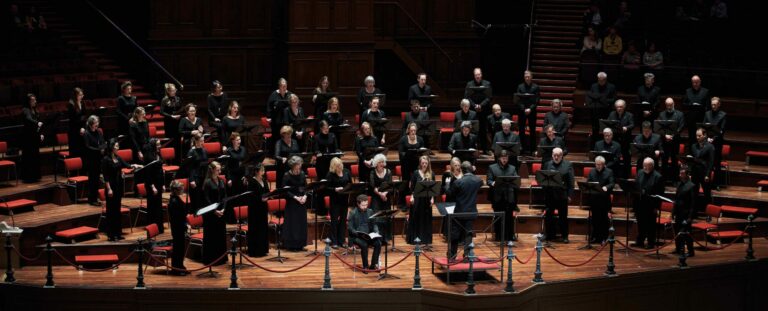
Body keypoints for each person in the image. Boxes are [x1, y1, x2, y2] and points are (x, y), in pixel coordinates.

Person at [102, 139, 142, 241]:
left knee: (117, 211)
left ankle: (118, 233)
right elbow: (105, 176)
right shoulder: (106, 159)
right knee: (111, 211)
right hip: (111, 188)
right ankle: (111, 235)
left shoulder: (118, 158)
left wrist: (135, 166)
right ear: (111, 147)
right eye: (116, 146)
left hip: (118, 187)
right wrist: (109, 189)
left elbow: (127, 165)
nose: (118, 148)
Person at [445, 161, 483, 261]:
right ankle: (467, 255)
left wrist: (447, 184)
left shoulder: (458, 182)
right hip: (471, 212)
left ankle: (452, 256)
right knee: (468, 234)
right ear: (471, 169)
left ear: (462, 169)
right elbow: (480, 183)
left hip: (459, 213)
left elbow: (449, 194)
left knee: (455, 235)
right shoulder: (478, 181)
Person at [543, 148, 574, 243]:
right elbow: (543, 178)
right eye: (554, 155)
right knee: (549, 216)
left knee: (563, 217)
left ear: (562, 156)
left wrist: (569, 195)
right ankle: (549, 235)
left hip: (562, 195)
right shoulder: (547, 164)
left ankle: (565, 236)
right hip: (550, 194)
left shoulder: (568, 165)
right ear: (552, 155)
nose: (556, 157)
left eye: (558, 155)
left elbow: (571, 182)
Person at [486, 150, 518, 242]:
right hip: (497, 197)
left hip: (509, 197)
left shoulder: (512, 168)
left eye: (506, 158)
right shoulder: (492, 168)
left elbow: (516, 180)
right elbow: (489, 181)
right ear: (499, 158)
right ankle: (499, 236)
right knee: (498, 217)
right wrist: (493, 183)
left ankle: (509, 236)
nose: (504, 160)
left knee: (509, 217)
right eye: (503, 158)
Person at [633, 158, 664, 249]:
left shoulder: (658, 176)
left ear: (652, 166)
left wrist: (656, 207)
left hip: (651, 205)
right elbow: (636, 185)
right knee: (640, 223)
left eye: (647, 165)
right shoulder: (639, 172)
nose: (645, 167)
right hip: (640, 203)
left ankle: (651, 242)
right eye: (644, 165)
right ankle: (640, 241)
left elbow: (660, 194)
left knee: (650, 225)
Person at [202, 161, 227, 265]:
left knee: (220, 235)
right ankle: (211, 259)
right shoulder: (207, 183)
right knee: (211, 236)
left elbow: (225, 196)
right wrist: (214, 211)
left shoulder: (221, 181)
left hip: (220, 213)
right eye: (217, 170)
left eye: (220, 169)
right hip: (210, 215)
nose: (219, 171)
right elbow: (206, 199)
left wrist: (223, 209)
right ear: (212, 170)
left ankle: (221, 258)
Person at [348, 194, 382, 272]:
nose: (365, 207)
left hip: (368, 235)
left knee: (378, 243)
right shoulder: (353, 213)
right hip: (357, 236)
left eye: (366, 204)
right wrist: (357, 233)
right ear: (358, 204)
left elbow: (374, 224)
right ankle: (365, 266)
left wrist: (376, 231)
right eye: (363, 205)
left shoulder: (370, 211)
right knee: (364, 245)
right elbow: (350, 228)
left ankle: (373, 265)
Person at [282, 156, 308, 252]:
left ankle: (301, 244)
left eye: (300, 164)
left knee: (301, 223)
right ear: (293, 165)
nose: (300, 166)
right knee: (293, 224)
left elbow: (306, 187)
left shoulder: (302, 173)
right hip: (292, 202)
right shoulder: (286, 175)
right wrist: (296, 197)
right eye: (298, 165)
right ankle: (292, 245)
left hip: (302, 201)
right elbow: (285, 191)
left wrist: (305, 196)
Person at [464, 68, 492, 153]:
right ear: (474, 75)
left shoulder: (487, 83)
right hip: (472, 111)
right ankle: (471, 149)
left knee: (483, 130)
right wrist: (474, 105)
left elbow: (489, 97)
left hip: (484, 111)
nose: (477, 76)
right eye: (476, 75)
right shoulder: (469, 84)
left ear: (481, 74)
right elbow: (467, 97)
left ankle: (484, 149)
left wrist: (481, 105)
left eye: (479, 74)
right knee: (472, 130)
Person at [407, 155, 434, 245]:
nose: (424, 165)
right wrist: (412, 196)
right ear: (420, 163)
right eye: (422, 163)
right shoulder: (416, 173)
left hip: (427, 199)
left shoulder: (431, 174)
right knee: (416, 218)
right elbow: (412, 187)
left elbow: (433, 188)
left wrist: (432, 199)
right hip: (417, 198)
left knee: (426, 219)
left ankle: (425, 239)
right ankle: (414, 238)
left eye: (426, 163)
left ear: (428, 164)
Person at [587, 156, 614, 243]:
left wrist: (606, 187)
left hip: (604, 200)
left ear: (603, 164)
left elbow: (612, 183)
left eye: (600, 164)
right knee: (595, 219)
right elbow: (588, 182)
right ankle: (595, 236)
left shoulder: (609, 172)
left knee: (603, 219)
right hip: (594, 199)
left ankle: (604, 237)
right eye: (597, 164)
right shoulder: (592, 171)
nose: (598, 166)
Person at [326, 158, 352, 249]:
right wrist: (335, 189)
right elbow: (326, 188)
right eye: (337, 166)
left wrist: (347, 189)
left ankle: (341, 240)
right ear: (333, 166)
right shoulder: (330, 174)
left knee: (343, 221)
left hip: (344, 200)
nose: (340, 167)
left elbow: (350, 184)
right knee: (334, 221)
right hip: (335, 201)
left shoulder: (347, 172)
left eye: (340, 164)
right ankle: (334, 241)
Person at [585, 72, 617, 146]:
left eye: (602, 80)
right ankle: (595, 145)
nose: (601, 82)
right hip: (595, 112)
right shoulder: (594, 86)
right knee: (595, 129)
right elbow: (591, 97)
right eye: (599, 80)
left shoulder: (611, 87)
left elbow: (614, 99)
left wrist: (604, 100)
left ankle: (607, 143)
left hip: (607, 112)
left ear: (605, 80)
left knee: (606, 129)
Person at [657, 97, 685, 178]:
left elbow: (681, 126)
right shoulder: (661, 114)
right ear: (665, 105)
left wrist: (673, 135)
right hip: (664, 141)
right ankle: (663, 179)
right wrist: (665, 135)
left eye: (671, 105)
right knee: (664, 160)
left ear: (674, 104)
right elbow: (658, 127)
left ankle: (674, 179)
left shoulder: (680, 114)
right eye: (667, 105)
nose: (669, 107)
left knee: (674, 160)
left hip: (675, 141)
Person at [246, 164, 270, 257]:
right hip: (254, 209)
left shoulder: (264, 180)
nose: (263, 172)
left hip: (263, 207)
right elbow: (251, 196)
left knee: (263, 228)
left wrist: (267, 196)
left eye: (264, 170)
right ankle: (255, 250)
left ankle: (263, 249)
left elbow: (267, 191)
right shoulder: (252, 181)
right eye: (262, 170)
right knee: (255, 228)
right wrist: (260, 199)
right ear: (256, 171)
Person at [672, 167, 696, 257]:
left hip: (686, 214)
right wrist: (673, 213)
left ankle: (691, 251)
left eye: (682, 174)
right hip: (678, 213)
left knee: (687, 234)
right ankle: (678, 249)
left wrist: (690, 217)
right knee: (677, 231)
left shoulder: (692, 186)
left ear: (687, 175)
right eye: (680, 173)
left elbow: (693, 203)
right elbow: (676, 199)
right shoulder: (679, 184)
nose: (680, 175)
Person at [607, 99, 634, 178]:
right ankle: (615, 176)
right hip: (615, 141)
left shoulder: (629, 115)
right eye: (618, 107)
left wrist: (627, 128)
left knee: (626, 159)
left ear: (624, 107)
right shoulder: (612, 114)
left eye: (621, 107)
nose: (619, 108)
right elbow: (608, 123)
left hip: (625, 140)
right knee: (615, 159)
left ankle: (626, 176)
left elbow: (632, 124)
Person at [143, 138, 165, 234]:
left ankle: (159, 227)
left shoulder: (158, 154)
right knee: (152, 206)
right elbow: (148, 173)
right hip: (151, 184)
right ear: (153, 146)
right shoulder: (148, 156)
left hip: (159, 182)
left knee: (158, 205)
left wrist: (163, 184)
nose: (159, 146)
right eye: (158, 144)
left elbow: (161, 170)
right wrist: (152, 186)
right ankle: (152, 228)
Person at [704, 97, 726, 189]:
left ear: (719, 104)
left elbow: (722, 130)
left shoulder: (723, 115)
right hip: (708, 142)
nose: (713, 106)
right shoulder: (707, 114)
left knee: (716, 163)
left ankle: (716, 183)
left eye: (715, 104)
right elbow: (704, 127)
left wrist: (714, 138)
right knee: (707, 162)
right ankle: (706, 182)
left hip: (717, 143)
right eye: (712, 104)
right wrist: (707, 137)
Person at [369, 153, 392, 241]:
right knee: (376, 216)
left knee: (386, 217)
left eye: (383, 162)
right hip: (376, 197)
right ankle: (377, 237)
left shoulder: (388, 172)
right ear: (376, 163)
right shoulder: (372, 172)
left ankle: (386, 238)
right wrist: (380, 194)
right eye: (380, 162)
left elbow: (390, 185)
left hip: (386, 196)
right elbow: (373, 186)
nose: (382, 164)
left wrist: (385, 194)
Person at [515, 70, 540, 153]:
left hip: (532, 111)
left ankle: (533, 149)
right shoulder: (520, 87)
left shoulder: (536, 87)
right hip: (522, 111)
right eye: (526, 76)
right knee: (521, 130)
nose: (527, 78)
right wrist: (523, 109)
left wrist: (530, 109)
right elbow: (518, 100)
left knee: (532, 130)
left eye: (528, 76)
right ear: (524, 77)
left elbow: (537, 100)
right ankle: (522, 148)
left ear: (531, 77)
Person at [20, 93, 43, 183]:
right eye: (33, 100)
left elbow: (38, 123)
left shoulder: (34, 110)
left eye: (35, 100)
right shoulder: (25, 110)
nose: (35, 102)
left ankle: (35, 175)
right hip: (28, 138)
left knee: (35, 156)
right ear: (28, 101)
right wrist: (37, 123)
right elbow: (29, 119)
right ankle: (28, 177)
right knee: (29, 157)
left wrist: (40, 134)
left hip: (34, 137)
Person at [83, 115, 105, 205]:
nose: (97, 125)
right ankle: (92, 199)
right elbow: (87, 147)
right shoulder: (86, 133)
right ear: (91, 124)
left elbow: (102, 142)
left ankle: (95, 198)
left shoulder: (98, 132)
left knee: (96, 180)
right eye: (96, 123)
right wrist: (99, 150)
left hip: (98, 159)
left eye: (97, 123)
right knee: (92, 180)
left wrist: (103, 147)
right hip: (91, 160)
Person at [167, 180, 188, 274]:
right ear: (176, 190)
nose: (183, 189)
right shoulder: (174, 201)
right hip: (177, 228)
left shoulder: (175, 198)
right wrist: (185, 224)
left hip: (179, 227)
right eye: (181, 188)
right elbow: (177, 217)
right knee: (178, 249)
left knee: (180, 248)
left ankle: (180, 266)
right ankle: (176, 268)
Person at [691, 128, 714, 210]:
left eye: (699, 136)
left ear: (704, 135)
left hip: (704, 173)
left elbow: (711, 162)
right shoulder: (693, 146)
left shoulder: (710, 147)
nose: (697, 137)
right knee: (694, 193)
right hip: (695, 172)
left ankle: (709, 213)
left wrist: (708, 174)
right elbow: (693, 159)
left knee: (707, 194)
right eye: (696, 135)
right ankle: (694, 212)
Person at [683, 75, 710, 145]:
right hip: (691, 119)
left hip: (701, 119)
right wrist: (691, 105)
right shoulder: (687, 91)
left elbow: (708, 106)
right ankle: (691, 153)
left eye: (697, 82)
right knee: (691, 137)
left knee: (702, 137)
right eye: (693, 82)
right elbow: (684, 104)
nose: (695, 84)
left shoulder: (705, 91)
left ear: (700, 82)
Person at [186, 133, 208, 213]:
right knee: (196, 199)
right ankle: (195, 219)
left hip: (203, 176)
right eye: (201, 141)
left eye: (203, 140)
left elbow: (206, 164)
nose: (203, 142)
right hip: (195, 177)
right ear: (196, 141)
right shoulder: (191, 152)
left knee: (203, 197)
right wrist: (191, 180)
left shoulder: (204, 150)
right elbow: (189, 167)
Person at [398, 122, 425, 189]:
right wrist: (408, 154)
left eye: (414, 130)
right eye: (411, 130)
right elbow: (400, 152)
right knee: (406, 181)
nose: (413, 132)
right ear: (408, 130)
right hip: (406, 163)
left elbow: (422, 152)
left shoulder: (420, 139)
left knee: (417, 180)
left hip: (416, 163)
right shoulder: (403, 139)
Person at [266, 78, 292, 145]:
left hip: (287, 120)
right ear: (279, 86)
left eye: (285, 86)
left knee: (287, 136)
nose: (284, 88)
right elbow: (269, 106)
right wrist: (269, 117)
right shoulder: (274, 95)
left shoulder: (289, 94)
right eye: (283, 86)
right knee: (277, 137)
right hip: (276, 120)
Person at [312, 120, 339, 184]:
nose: (326, 129)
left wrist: (338, 152)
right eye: (324, 128)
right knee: (323, 180)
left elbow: (336, 148)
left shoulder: (332, 135)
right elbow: (316, 150)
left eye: (327, 128)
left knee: (332, 181)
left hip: (331, 161)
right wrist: (319, 153)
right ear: (321, 128)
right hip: (321, 162)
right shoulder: (317, 137)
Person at [160, 83, 183, 161]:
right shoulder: (165, 99)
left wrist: (180, 115)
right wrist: (171, 116)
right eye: (172, 90)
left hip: (177, 122)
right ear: (168, 91)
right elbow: (161, 112)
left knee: (178, 141)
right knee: (170, 140)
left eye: (175, 90)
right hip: (169, 122)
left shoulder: (178, 98)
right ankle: (169, 159)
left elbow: (180, 109)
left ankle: (178, 159)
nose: (174, 92)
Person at [224, 133, 247, 205]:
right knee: (234, 198)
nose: (239, 141)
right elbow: (226, 166)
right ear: (233, 141)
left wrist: (246, 175)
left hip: (242, 176)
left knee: (243, 196)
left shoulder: (243, 149)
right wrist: (228, 179)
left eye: (239, 139)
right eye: (237, 140)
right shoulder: (228, 151)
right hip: (233, 176)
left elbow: (246, 163)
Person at [66, 87, 87, 158]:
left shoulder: (82, 103)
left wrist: (83, 127)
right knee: (75, 151)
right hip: (74, 131)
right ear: (76, 95)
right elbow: (73, 119)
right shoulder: (71, 104)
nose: (82, 96)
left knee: (82, 150)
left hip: (81, 129)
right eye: (80, 95)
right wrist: (80, 127)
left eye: (82, 95)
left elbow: (84, 116)